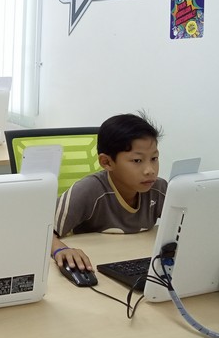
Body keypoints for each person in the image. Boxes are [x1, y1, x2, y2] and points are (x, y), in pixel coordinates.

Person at [50, 113, 167, 272]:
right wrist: (61, 249)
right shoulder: (88, 191)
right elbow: (40, 231)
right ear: (107, 162)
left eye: (154, 158)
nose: (150, 170)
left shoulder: (159, 189)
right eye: (137, 160)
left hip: (130, 263)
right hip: (92, 266)